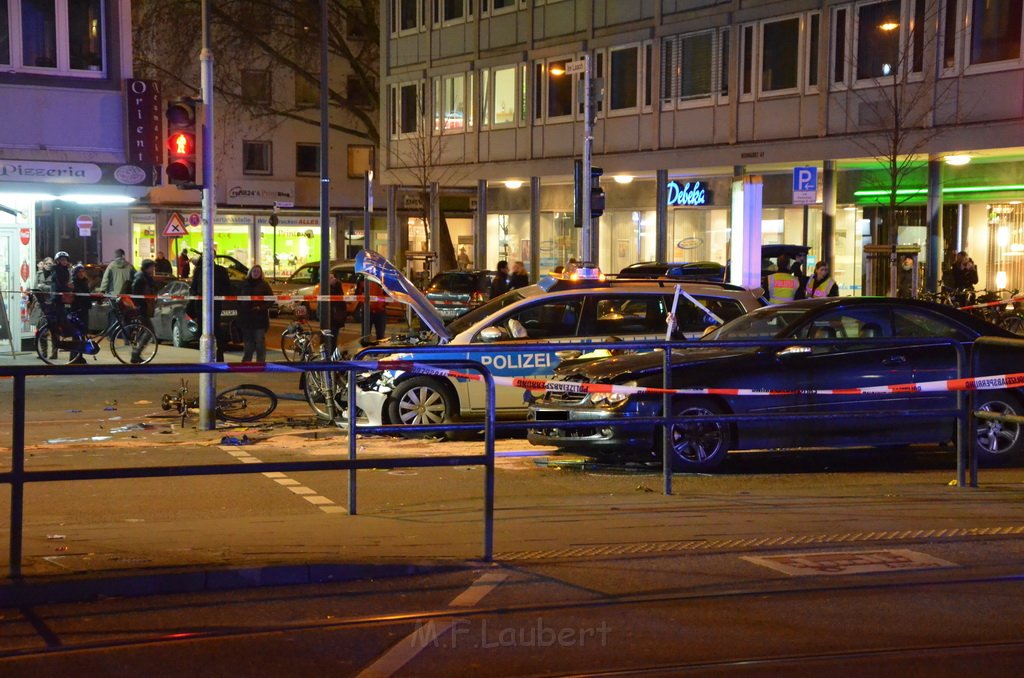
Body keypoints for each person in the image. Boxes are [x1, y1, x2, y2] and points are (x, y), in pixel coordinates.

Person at [188, 255, 232, 361]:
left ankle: (218, 352)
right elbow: (194, 287)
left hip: (213, 302)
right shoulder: (200, 270)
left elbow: (226, 286)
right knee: (206, 329)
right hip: (202, 303)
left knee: (213, 327)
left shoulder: (218, 270)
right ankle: (210, 354)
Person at [239, 265, 273, 362]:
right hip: (246, 318)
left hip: (260, 318)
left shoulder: (264, 285)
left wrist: (261, 308)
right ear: (250, 272)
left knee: (259, 341)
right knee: (248, 342)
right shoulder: (244, 284)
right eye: (254, 271)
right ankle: (246, 361)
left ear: (261, 273)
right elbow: (238, 299)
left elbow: (271, 300)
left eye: (258, 271)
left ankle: (260, 362)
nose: (256, 273)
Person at [129, 259, 158, 364]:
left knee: (145, 331)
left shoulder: (145, 278)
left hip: (144, 308)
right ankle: (136, 353)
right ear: (147, 267)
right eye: (152, 267)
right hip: (142, 309)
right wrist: (139, 305)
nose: (153, 269)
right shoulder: (141, 278)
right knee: (150, 332)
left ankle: (135, 353)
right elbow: (136, 294)